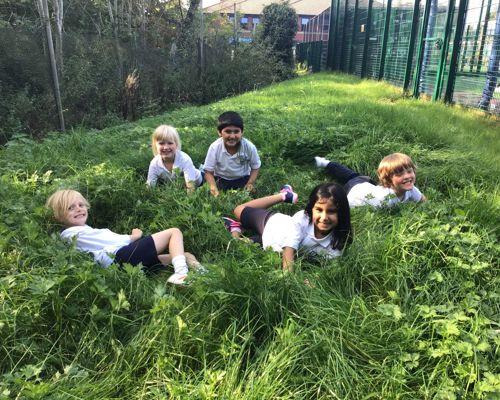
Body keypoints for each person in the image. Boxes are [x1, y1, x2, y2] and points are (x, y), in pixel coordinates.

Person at [46, 189, 203, 285]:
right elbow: (109, 240)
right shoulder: (71, 234)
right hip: (120, 258)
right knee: (174, 232)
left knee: (184, 254)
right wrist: (133, 237)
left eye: (81, 205)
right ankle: (181, 274)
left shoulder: (81, 230)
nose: (79, 209)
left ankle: (204, 274)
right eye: (70, 208)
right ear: (59, 216)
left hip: (124, 262)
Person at [223, 184, 352, 272]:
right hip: (271, 225)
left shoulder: (337, 243)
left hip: (270, 246)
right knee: (238, 210)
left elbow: (326, 270)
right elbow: (289, 251)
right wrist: (288, 280)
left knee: (239, 245)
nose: (324, 217)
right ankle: (284, 195)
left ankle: (235, 228)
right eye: (319, 210)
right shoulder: (302, 218)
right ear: (311, 209)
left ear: (341, 213)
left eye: (331, 211)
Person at [314, 153, 427, 208]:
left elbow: (423, 199)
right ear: (388, 180)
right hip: (354, 190)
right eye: (399, 174)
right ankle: (326, 163)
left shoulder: (410, 189)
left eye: (409, 171)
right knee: (347, 176)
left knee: (352, 174)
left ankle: (327, 163)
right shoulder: (384, 201)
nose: (407, 176)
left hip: (368, 184)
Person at [203, 111, 261, 197]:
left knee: (250, 193)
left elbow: (255, 167)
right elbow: (208, 172)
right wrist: (213, 187)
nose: (232, 136)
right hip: (221, 178)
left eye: (236, 131)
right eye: (228, 131)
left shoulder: (249, 147)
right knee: (212, 190)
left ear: (242, 132)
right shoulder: (214, 147)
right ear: (219, 132)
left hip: (242, 178)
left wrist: (250, 183)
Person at [147, 125, 203, 193]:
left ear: (176, 144)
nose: (166, 147)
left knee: (207, 176)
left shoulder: (184, 159)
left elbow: (191, 186)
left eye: (170, 143)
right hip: (178, 186)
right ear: (155, 145)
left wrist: (189, 199)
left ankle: (203, 168)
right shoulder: (154, 164)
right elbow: (150, 186)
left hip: (197, 181)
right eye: (161, 143)